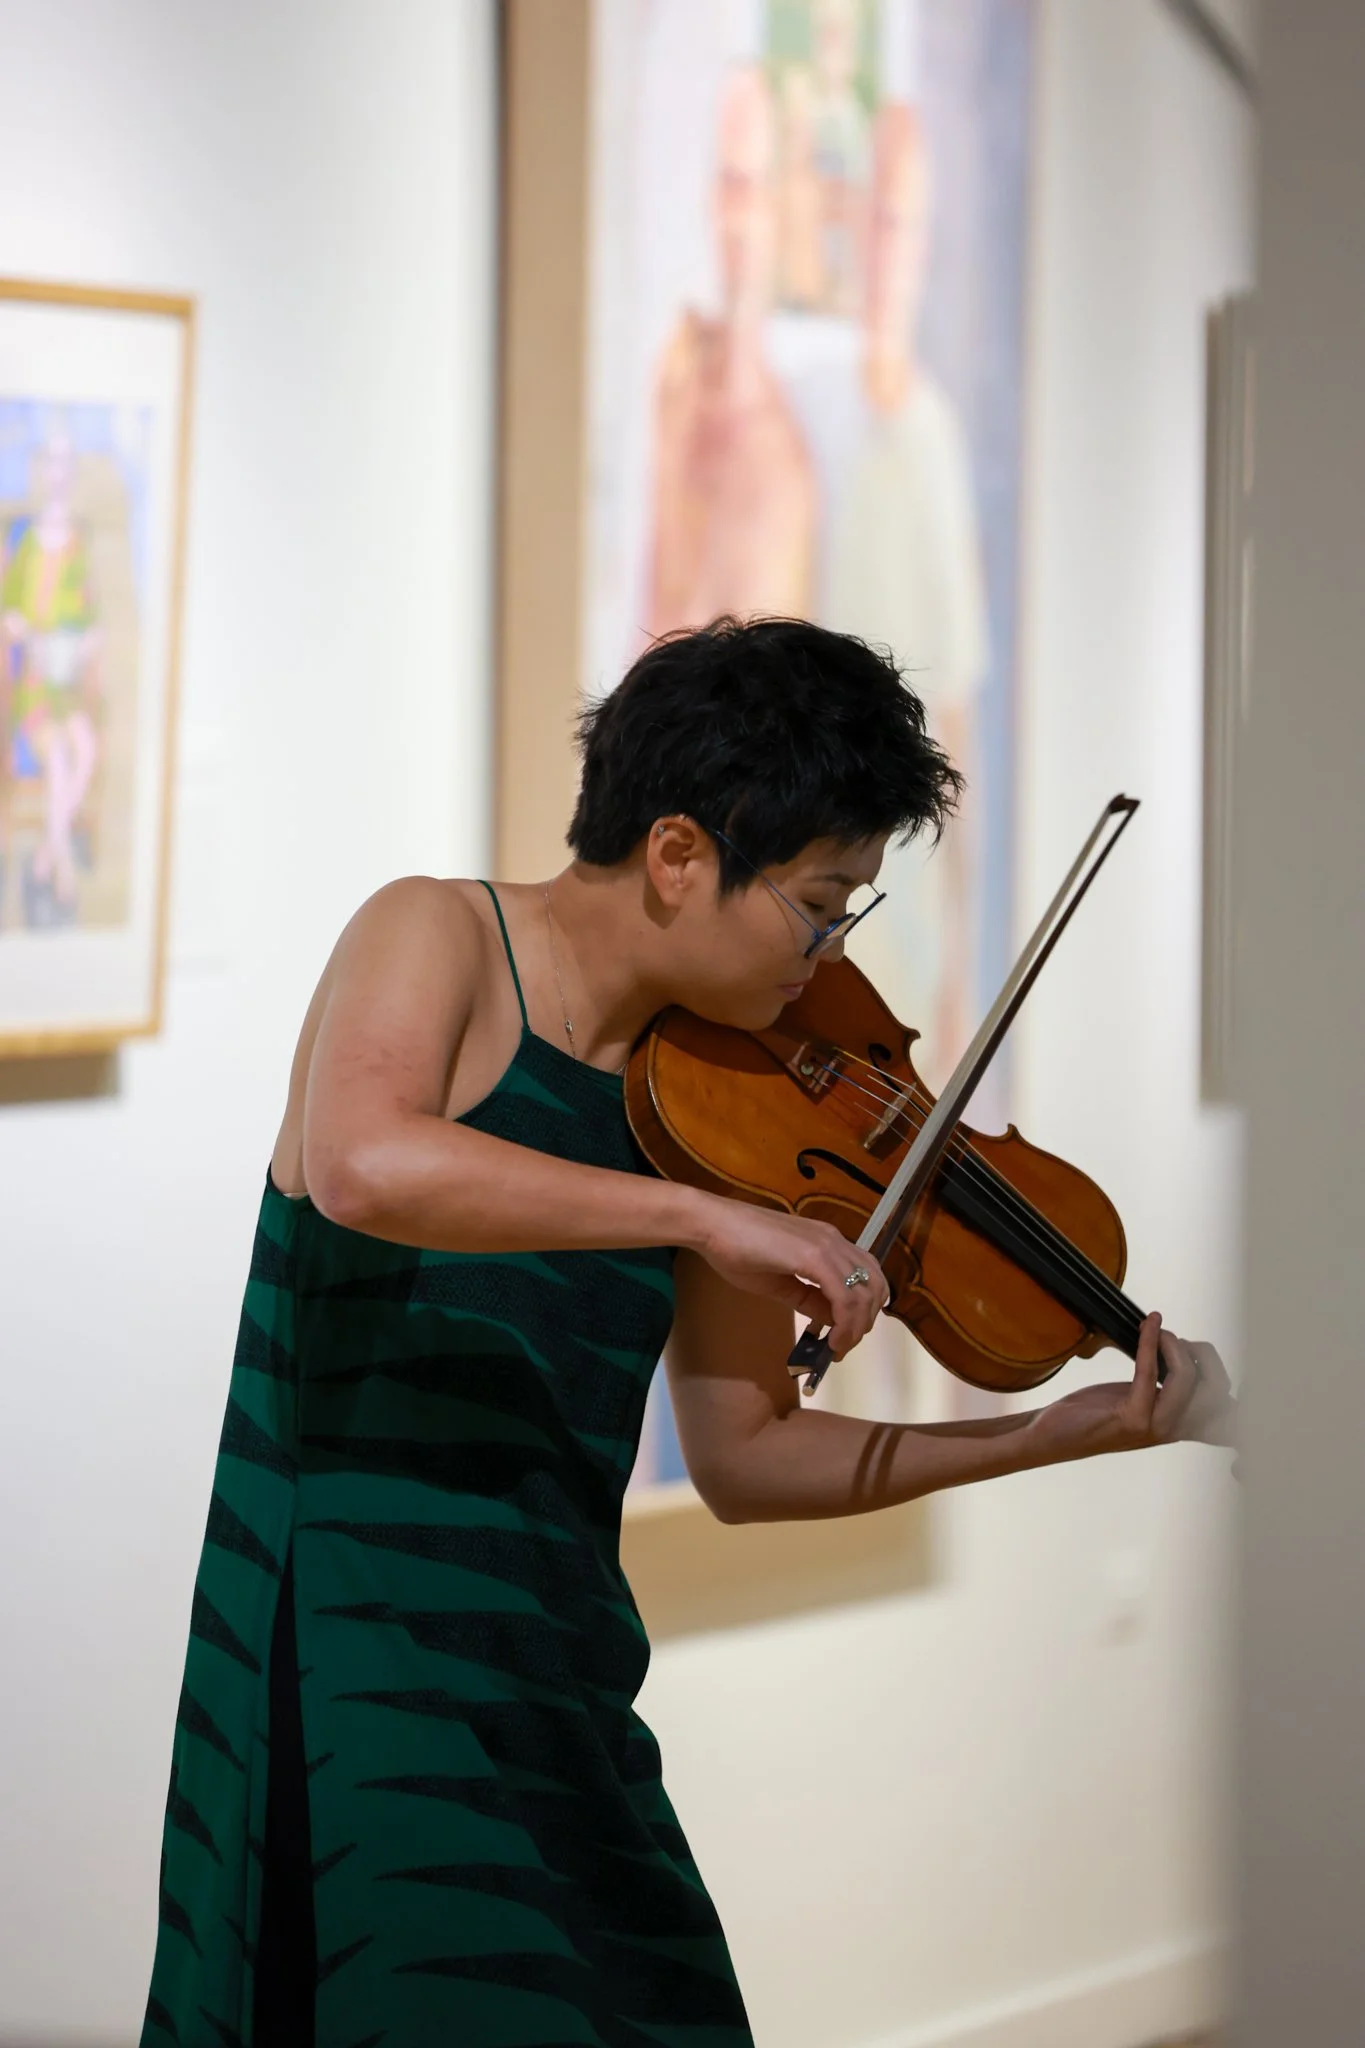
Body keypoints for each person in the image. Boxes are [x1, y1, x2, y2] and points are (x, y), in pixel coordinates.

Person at [141, 618, 1235, 2046]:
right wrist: (704, 1223)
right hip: (358, 1661)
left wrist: (1055, 1427)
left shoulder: (712, 1106)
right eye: (817, 903)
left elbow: (745, 1457)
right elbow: (364, 1161)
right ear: (675, 856)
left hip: (558, 1672)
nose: (830, 952)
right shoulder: (435, 937)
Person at [826, 103, 988, 1082]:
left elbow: (956, 696)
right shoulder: (813, 400)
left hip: (898, 869)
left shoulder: (931, 432)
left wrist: (963, 951)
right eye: (877, 220)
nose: (890, 249)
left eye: (908, 227)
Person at [647, 67, 817, 632]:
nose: (739, 215)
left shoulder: (786, 460)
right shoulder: (677, 380)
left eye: (754, 186)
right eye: (728, 183)